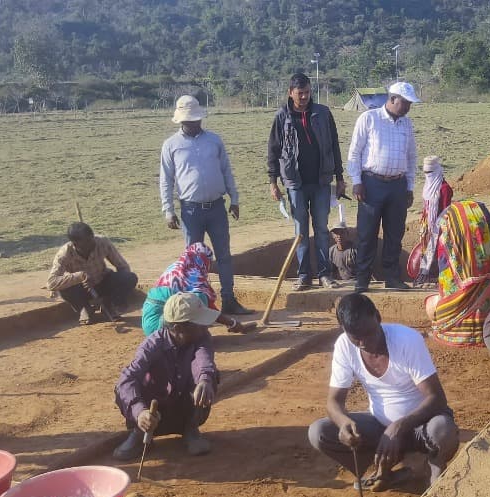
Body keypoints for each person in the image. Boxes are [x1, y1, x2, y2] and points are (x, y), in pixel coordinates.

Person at [308, 294, 459, 490]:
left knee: (443, 430)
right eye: (356, 338)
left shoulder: (406, 340)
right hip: (380, 427)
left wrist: (398, 426)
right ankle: (384, 469)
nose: (364, 343)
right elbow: (333, 403)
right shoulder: (344, 346)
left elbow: (437, 399)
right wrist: (344, 422)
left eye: (369, 334)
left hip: (421, 426)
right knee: (319, 432)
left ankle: (426, 465)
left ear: (378, 317)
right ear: (344, 330)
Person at [160, 95, 252, 315]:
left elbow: (226, 170)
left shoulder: (214, 140)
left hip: (217, 207)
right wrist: (168, 210)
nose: (193, 124)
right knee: (193, 261)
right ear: (181, 121)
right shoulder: (171, 145)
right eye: (189, 120)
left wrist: (234, 199)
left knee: (224, 256)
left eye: (196, 119)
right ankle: (196, 305)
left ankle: (228, 299)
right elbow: (166, 179)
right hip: (190, 211)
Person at [113, 292, 220, 460]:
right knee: (124, 388)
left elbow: (203, 359)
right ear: (179, 329)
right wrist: (140, 412)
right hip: (155, 410)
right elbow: (127, 380)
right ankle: (140, 432)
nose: (205, 327)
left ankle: (190, 428)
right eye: (199, 324)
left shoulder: (202, 338)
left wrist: (204, 379)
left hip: (182, 404)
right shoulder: (152, 345)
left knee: (210, 376)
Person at [267, 73, 345, 291]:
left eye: (307, 92)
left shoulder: (323, 113)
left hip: (321, 181)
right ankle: (303, 276)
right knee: (300, 230)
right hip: (295, 183)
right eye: (300, 93)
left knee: (321, 228)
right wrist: (273, 183)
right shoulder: (282, 117)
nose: (304, 97)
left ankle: (324, 274)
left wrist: (339, 177)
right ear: (290, 93)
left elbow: (334, 146)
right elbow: (273, 151)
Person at [345, 81, 422, 293]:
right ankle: (362, 278)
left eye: (410, 104)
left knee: (394, 233)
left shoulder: (407, 124)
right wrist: (357, 181)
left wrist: (409, 186)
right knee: (367, 233)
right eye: (405, 103)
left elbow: (411, 156)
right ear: (392, 99)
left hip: (397, 184)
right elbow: (354, 153)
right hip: (371, 183)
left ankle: (392, 277)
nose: (407, 107)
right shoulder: (369, 118)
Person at [426, 199, 490, 347]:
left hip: (452, 331)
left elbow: (436, 264)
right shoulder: (487, 254)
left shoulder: (446, 246)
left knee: (431, 303)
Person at [141, 243, 255, 336]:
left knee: (192, 304)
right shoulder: (195, 278)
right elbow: (205, 308)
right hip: (161, 328)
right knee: (198, 303)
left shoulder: (174, 268)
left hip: (149, 325)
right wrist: (234, 324)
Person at [46, 222, 139, 324]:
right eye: (87, 242)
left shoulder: (102, 242)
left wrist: (119, 296)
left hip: (103, 282)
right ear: (75, 244)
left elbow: (123, 266)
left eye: (92, 238)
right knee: (64, 289)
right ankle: (84, 308)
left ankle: (110, 305)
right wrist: (79, 276)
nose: (92, 243)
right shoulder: (64, 254)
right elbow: (51, 283)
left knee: (129, 278)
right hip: (81, 290)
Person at [409, 155, 453, 285]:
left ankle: (438, 277)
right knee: (426, 251)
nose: (428, 175)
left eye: (430, 172)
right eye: (426, 172)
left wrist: (439, 229)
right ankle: (426, 276)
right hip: (426, 226)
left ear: (437, 170)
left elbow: (446, 210)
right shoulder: (428, 186)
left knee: (438, 251)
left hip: (439, 226)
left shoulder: (444, 188)